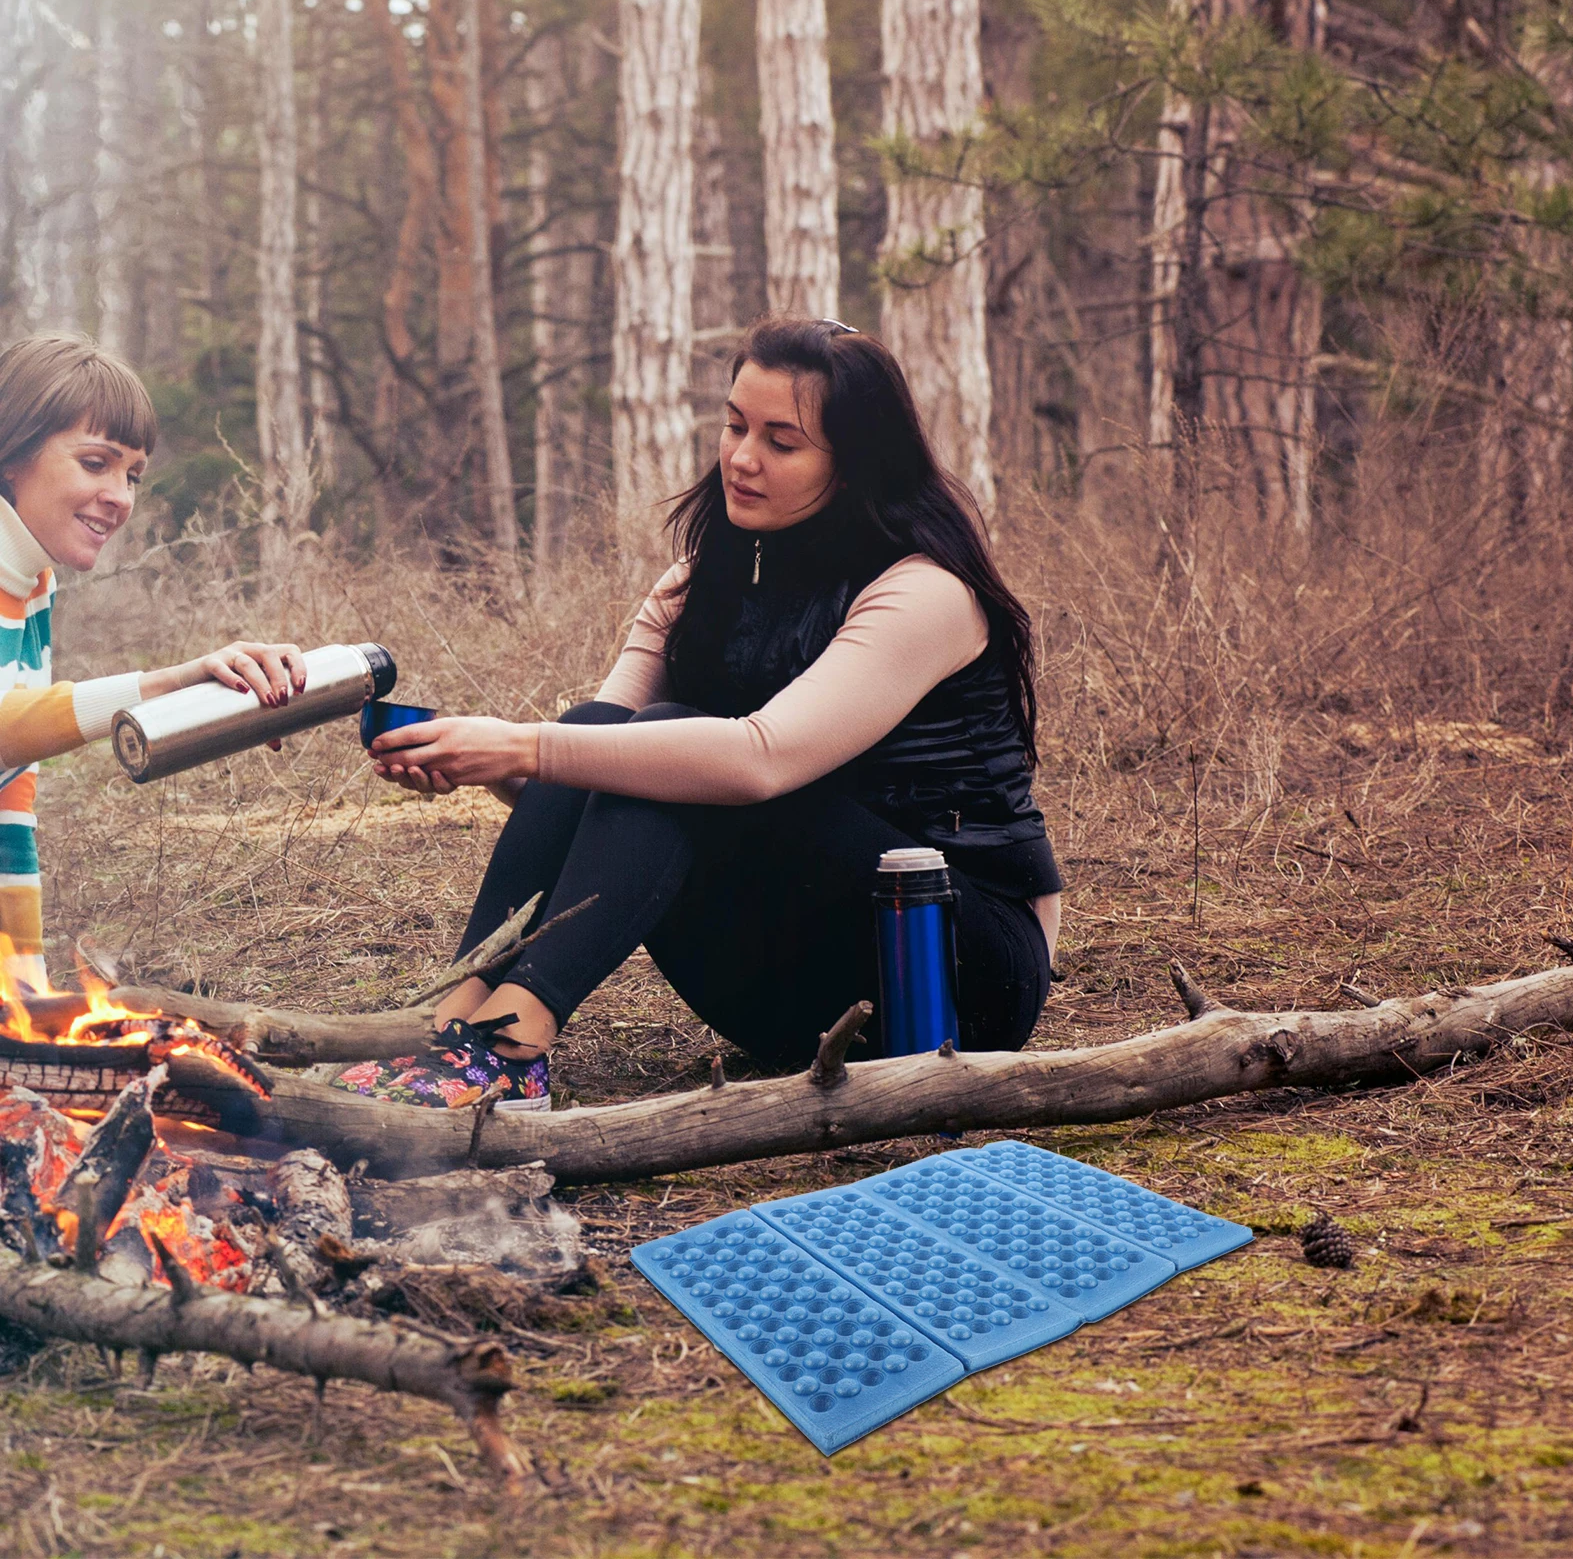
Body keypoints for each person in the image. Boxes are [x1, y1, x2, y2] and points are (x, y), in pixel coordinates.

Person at [352, 318, 1061, 1112]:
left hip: (952, 979)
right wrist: (475, 760)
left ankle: (511, 1050)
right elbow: (589, 774)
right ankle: (447, 1028)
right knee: (596, 726)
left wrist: (521, 746)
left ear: (859, 463)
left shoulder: (922, 592)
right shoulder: (694, 584)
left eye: (781, 442)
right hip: (789, 994)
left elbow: (758, 758)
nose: (741, 457)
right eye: (733, 425)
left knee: (649, 743)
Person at [0, 334, 306, 989]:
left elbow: (10, 794)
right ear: (12, 453)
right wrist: (173, 680)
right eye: (94, 463)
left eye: (132, 475)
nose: (120, 497)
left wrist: (18, 1002)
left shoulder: (31, 582)